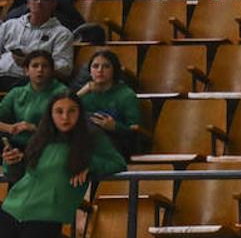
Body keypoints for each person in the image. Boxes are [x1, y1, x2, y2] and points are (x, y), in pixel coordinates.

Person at [0, 93, 126, 236]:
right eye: (59, 111)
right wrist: (11, 162)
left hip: (47, 217)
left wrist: (89, 165)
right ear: (50, 114)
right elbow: (17, 176)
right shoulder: (41, 138)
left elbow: (118, 163)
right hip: (11, 209)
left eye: (71, 111)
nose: (65, 117)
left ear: (80, 112)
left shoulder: (92, 137)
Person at [0, 0, 73, 89]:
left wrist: (32, 63)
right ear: (28, 3)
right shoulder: (9, 25)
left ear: (53, 5)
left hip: (29, 80)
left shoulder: (62, 33)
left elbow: (64, 68)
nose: (39, 2)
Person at [76, 50, 140, 157]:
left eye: (106, 66)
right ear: (90, 71)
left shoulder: (126, 95)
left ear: (114, 70)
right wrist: (81, 93)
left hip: (116, 144)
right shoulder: (83, 94)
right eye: (95, 66)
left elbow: (134, 131)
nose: (100, 70)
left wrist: (115, 127)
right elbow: (62, 111)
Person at [0, 51, 68, 149]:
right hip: (16, 144)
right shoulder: (16, 92)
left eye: (45, 66)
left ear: (52, 71)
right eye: (35, 66)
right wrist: (9, 128)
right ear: (26, 71)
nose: (40, 70)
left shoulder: (63, 93)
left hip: (49, 145)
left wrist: (34, 128)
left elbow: (67, 127)